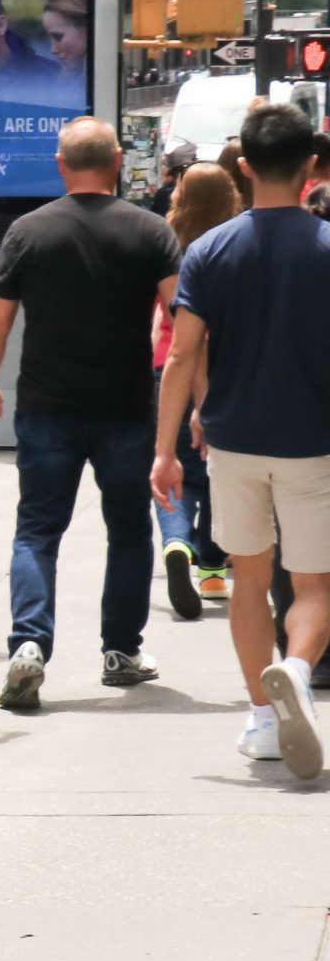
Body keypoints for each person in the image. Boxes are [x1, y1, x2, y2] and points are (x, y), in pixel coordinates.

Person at [0, 119, 182, 712]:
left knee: (37, 531)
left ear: (60, 165)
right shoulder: (151, 230)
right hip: (125, 406)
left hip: (48, 406)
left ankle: (29, 644)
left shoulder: (27, 231)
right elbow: (181, 313)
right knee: (129, 530)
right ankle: (120, 651)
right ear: (116, 160)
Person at [154, 102, 330, 776]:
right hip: (313, 441)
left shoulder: (208, 250)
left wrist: (165, 450)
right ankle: (298, 668)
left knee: (248, 580)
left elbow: (181, 354)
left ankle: (262, 715)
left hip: (232, 442)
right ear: (310, 165)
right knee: (313, 586)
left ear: (246, 167)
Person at [155, 163, 241, 608]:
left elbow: (166, 324)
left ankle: (175, 542)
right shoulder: (234, 245)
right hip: (225, 369)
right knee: (214, 474)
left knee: (173, 465)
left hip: (168, 366)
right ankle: (211, 572)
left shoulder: (167, 245)